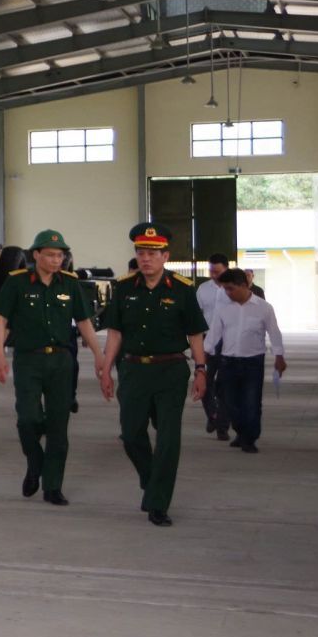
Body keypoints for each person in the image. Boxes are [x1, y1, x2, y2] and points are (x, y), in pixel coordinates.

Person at [96, 223, 209, 527]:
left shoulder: (183, 289)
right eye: (141, 253)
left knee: (168, 439)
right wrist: (106, 370)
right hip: (133, 370)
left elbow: (195, 334)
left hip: (170, 371)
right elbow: (115, 333)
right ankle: (151, 480)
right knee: (131, 434)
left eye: (152, 253)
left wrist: (201, 370)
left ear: (165, 256)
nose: (146, 259)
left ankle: (158, 503)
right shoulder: (123, 288)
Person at [0, 230, 105, 506]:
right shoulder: (17, 282)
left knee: (58, 426)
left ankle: (53, 486)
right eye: (51, 255)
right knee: (27, 419)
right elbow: (1, 320)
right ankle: (35, 462)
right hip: (28, 360)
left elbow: (84, 322)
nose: (56, 260)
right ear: (36, 255)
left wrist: (99, 356)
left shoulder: (70, 284)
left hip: (61, 361)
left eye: (60, 255)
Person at [205, 268, 286, 453]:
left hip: (253, 363)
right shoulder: (223, 309)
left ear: (243, 285)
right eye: (225, 289)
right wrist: (203, 354)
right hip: (228, 363)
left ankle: (249, 439)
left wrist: (279, 356)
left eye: (230, 288)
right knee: (230, 403)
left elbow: (274, 333)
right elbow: (214, 334)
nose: (227, 293)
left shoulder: (264, 308)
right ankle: (241, 432)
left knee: (251, 403)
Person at [196, 253, 232, 439]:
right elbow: (196, 316)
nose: (214, 275)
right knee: (204, 379)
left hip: (229, 341)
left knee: (225, 384)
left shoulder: (233, 288)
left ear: (226, 269)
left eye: (217, 271)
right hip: (207, 339)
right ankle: (212, 414)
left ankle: (222, 426)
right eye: (211, 271)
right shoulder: (203, 289)